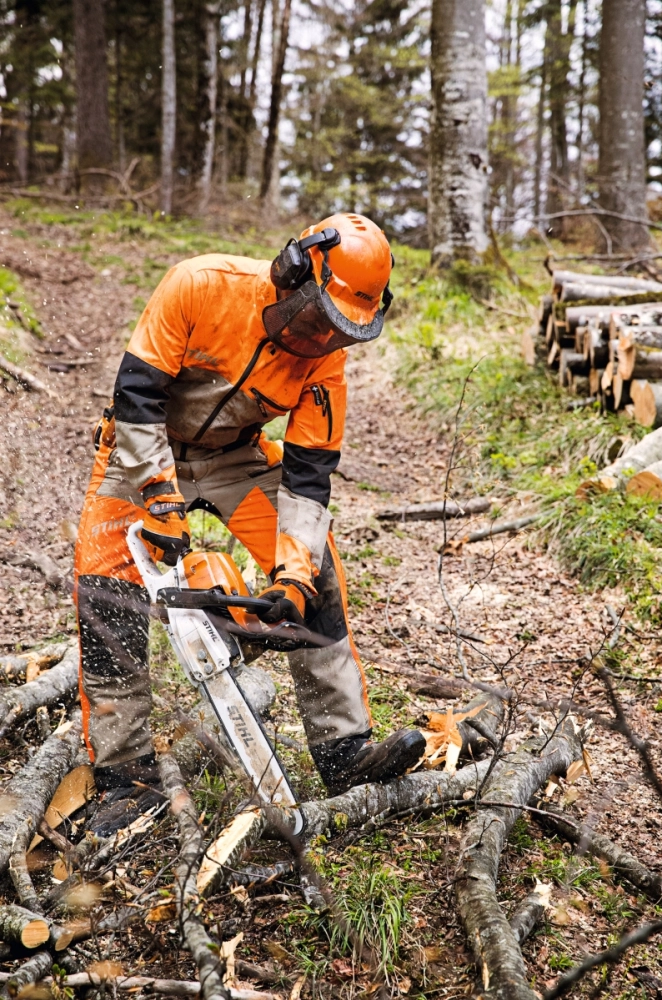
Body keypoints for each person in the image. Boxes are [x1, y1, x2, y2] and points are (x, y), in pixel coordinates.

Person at [74, 212, 425, 835]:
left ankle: (345, 753)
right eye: (319, 320)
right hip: (142, 448)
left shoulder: (326, 360)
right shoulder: (201, 286)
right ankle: (124, 779)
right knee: (107, 595)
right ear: (292, 274)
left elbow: (310, 473)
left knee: (317, 571)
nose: (323, 340)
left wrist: (292, 578)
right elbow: (136, 397)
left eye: (341, 331)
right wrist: (159, 497)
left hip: (236, 454)